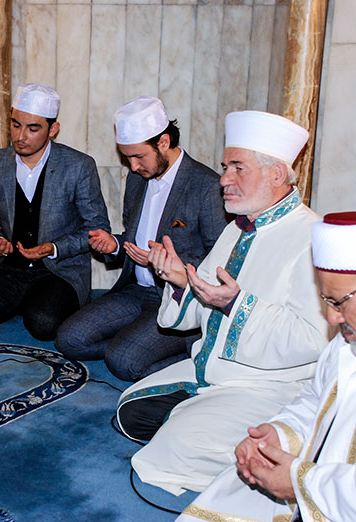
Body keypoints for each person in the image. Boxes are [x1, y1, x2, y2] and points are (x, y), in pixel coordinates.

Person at [116, 110, 330, 494]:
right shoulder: (237, 228)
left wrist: (237, 306)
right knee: (129, 411)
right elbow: (203, 300)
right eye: (225, 167)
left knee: (174, 447)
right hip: (214, 367)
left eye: (237, 168)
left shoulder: (313, 238)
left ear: (276, 174)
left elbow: (315, 340)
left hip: (269, 385)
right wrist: (181, 280)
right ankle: (212, 422)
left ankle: (293, 453)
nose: (224, 180)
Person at [179, 208, 356, 522]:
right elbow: (318, 399)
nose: (332, 317)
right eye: (327, 301)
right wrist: (279, 434)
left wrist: (300, 482)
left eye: (338, 302)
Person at [55, 96, 227, 381]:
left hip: (176, 298)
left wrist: (168, 263)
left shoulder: (206, 187)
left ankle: (193, 348)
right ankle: (135, 341)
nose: (133, 167)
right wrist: (114, 245)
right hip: (136, 291)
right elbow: (134, 241)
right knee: (69, 340)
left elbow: (220, 260)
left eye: (138, 156)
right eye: (127, 158)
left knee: (123, 363)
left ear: (163, 142)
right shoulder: (137, 180)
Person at [0, 83, 110, 341]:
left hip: (58, 270)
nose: (20, 136)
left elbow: (97, 228)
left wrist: (53, 248)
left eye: (33, 128)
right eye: (15, 125)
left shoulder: (78, 166)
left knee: (44, 325)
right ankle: (22, 300)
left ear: (53, 129)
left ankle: (35, 302)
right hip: (11, 268)